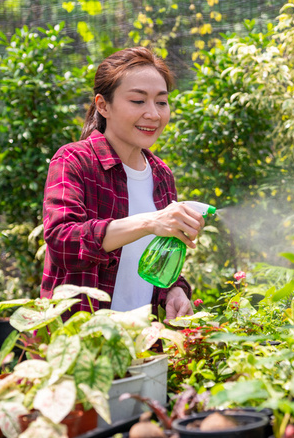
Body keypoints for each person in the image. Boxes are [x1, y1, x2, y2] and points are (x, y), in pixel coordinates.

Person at [40, 47, 203, 320]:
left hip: (141, 343)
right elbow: (62, 241)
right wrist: (149, 222)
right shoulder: (75, 160)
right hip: (79, 341)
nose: (153, 114)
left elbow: (154, 258)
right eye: (138, 101)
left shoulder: (161, 175)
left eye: (161, 102)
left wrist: (173, 290)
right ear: (103, 105)